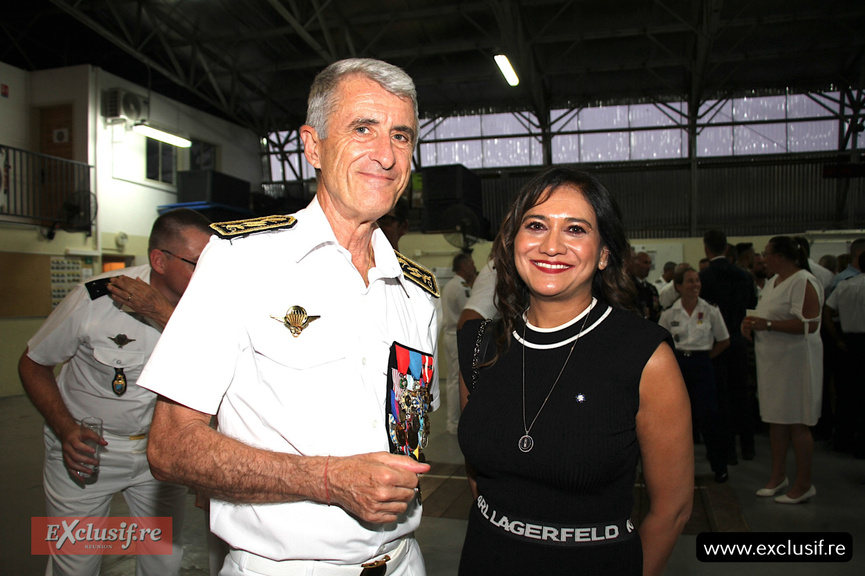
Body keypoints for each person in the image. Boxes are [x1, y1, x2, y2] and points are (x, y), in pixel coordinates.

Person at [139, 58, 438, 576]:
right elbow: (170, 446)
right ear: (313, 145)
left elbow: (407, 433)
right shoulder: (241, 261)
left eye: (402, 135)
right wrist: (327, 480)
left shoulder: (417, 294)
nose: (385, 155)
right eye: (362, 128)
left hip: (403, 562)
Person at [456, 167, 693, 575]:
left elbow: (672, 510)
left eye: (576, 230)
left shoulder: (644, 355)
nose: (552, 246)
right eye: (536, 225)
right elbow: (482, 478)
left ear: (603, 253)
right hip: (485, 558)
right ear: (513, 242)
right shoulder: (478, 345)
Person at [18, 208, 213, 576]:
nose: (207, 273)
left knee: (163, 562)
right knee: (75, 563)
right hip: (87, 450)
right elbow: (33, 363)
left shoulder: (209, 307)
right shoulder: (95, 300)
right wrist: (65, 430)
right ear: (159, 260)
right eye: (196, 263)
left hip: (158, 456)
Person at [742, 236, 823, 504]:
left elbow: (809, 324)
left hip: (795, 364)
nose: (762, 258)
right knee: (776, 421)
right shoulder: (772, 282)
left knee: (797, 423)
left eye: (766, 253)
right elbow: (766, 314)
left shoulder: (802, 281)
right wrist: (751, 323)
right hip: (773, 363)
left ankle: (804, 483)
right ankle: (778, 477)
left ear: (781, 256)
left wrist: (765, 325)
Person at [659, 267, 730, 483]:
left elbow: (724, 340)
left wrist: (707, 359)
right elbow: (660, 342)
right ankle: (675, 472)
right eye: (690, 281)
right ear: (679, 286)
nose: (695, 285)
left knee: (709, 416)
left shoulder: (710, 310)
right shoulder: (669, 313)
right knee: (676, 420)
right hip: (678, 364)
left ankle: (719, 467)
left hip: (702, 364)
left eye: (697, 281)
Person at [700, 229, 758, 463]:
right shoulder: (743, 276)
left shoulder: (705, 277)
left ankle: (728, 450)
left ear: (707, 248)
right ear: (726, 248)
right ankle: (748, 446)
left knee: (721, 397)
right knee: (741, 394)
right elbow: (752, 303)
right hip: (738, 339)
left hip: (716, 343)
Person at [822, 251, 865, 458]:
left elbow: (827, 312)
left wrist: (837, 338)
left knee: (847, 393)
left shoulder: (845, 285)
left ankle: (843, 439)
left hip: (848, 342)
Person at [441, 253, 478, 434]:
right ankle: (453, 423)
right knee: (456, 380)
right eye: (470, 263)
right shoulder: (458, 286)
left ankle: (454, 421)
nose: (473, 266)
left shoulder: (455, 285)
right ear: (462, 266)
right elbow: (470, 310)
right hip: (454, 336)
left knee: (455, 379)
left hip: (452, 335)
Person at [629, 251, 661, 322]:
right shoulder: (629, 286)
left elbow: (656, 308)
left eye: (650, 263)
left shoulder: (651, 289)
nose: (648, 267)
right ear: (635, 264)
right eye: (645, 263)